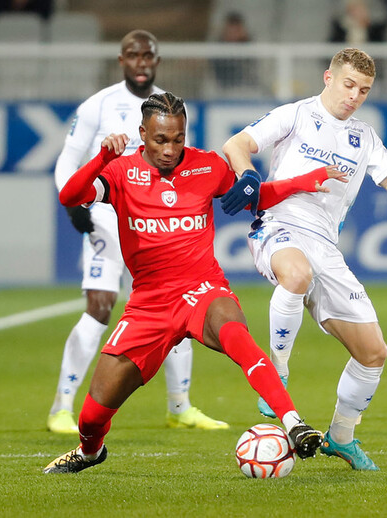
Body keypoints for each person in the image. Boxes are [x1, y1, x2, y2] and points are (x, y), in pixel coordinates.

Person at [44, 92, 337, 473]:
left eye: (178, 138)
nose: (170, 149)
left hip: (202, 288)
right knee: (92, 416)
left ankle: (294, 424)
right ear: (142, 134)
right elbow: (70, 195)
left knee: (238, 337)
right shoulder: (119, 172)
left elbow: (255, 196)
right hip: (149, 304)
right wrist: (102, 159)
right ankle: (89, 452)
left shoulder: (208, 166)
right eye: (160, 140)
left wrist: (302, 182)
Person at [221, 48, 387, 471]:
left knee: (373, 352)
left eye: (364, 90)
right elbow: (237, 143)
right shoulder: (296, 115)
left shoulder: (365, 137)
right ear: (328, 78)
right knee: (295, 275)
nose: (355, 95)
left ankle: (342, 437)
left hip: (326, 247)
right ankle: (276, 375)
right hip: (279, 225)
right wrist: (248, 175)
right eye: (349, 85)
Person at [48, 30, 227, 435]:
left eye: (149, 56)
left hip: (153, 226)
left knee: (177, 310)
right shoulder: (99, 105)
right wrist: (77, 205)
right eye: (134, 55)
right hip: (106, 221)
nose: (142, 62)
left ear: (157, 60)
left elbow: (181, 166)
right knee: (99, 305)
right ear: (121, 59)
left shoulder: (166, 106)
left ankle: (180, 406)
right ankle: (61, 406)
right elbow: (69, 159)